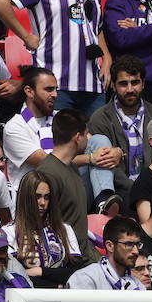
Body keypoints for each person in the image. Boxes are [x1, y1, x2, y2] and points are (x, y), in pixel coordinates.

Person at [87, 55, 152, 206]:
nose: (130, 89)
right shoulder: (99, 119)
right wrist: (137, 190)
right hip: (119, 192)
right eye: (123, 84)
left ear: (143, 84)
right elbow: (106, 165)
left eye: (135, 82)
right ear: (113, 86)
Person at [38, 108, 106, 258]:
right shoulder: (48, 174)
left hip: (84, 254)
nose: (88, 138)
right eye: (86, 134)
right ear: (77, 137)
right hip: (66, 260)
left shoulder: (71, 167)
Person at [7, 169, 86, 285]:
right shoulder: (9, 232)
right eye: (37, 196)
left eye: (47, 197)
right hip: (28, 297)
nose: (42, 203)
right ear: (25, 198)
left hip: (63, 299)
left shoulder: (65, 229)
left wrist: (40, 271)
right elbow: (15, 275)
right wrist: (56, 285)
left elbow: (78, 273)